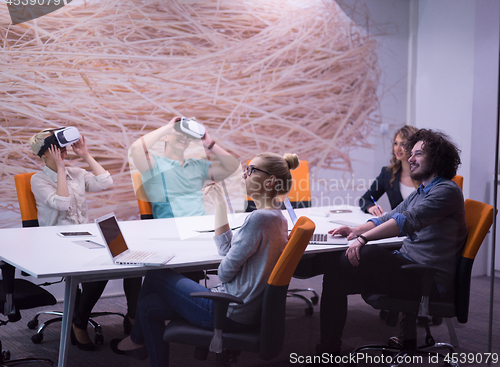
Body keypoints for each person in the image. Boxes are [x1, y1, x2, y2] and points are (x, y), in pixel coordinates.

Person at [110, 152, 300, 367]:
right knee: (148, 305)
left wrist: (231, 260)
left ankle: (136, 340)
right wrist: (219, 205)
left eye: (251, 170)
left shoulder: (258, 219)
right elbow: (226, 249)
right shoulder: (276, 217)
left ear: (270, 181)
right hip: (241, 308)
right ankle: (138, 343)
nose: (244, 175)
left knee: (155, 272)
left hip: (228, 311)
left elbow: (224, 272)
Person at [303, 129, 467, 357]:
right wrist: (356, 230)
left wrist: (363, 239)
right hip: (409, 268)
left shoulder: (446, 191)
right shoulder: (423, 190)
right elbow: (390, 216)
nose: (410, 159)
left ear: (437, 158)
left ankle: (328, 351)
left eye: (418, 154)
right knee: (335, 275)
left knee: (364, 255)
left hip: (426, 279)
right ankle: (328, 351)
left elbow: (405, 221)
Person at [29, 127, 141, 351]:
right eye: (54, 148)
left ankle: (132, 317)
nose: (61, 150)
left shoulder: (77, 173)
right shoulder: (38, 180)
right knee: (101, 270)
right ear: (43, 155)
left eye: (61, 146)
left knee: (130, 260)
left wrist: (85, 155)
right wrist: (60, 169)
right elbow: (62, 204)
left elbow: (106, 182)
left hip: (83, 237)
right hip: (55, 241)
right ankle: (79, 323)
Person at [129, 116, 240, 219]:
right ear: (166, 137)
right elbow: (136, 149)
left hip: (203, 227)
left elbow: (233, 167)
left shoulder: (197, 166)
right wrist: (167, 128)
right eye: (179, 132)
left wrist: (208, 143)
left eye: (188, 135)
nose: (184, 137)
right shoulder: (155, 165)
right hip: (173, 232)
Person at [359, 125, 420, 216]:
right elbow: (364, 199)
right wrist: (371, 207)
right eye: (396, 143)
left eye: (403, 144)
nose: (397, 148)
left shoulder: (427, 174)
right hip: (398, 228)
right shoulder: (388, 173)